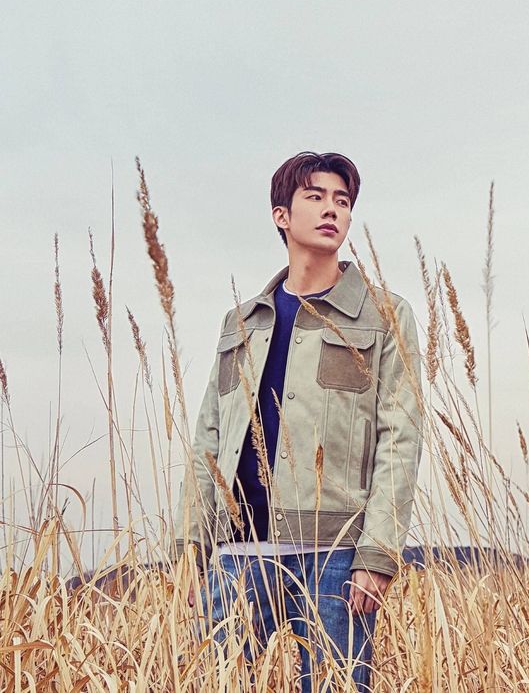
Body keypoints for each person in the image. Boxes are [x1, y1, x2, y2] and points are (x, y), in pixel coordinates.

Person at [171, 151, 423, 691]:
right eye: (316, 197)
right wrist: (192, 547)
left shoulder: (384, 315)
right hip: (237, 552)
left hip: (335, 557)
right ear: (281, 215)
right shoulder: (241, 322)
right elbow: (208, 439)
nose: (333, 210)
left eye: (343, 201)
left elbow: (400, 439)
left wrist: (377, 553)